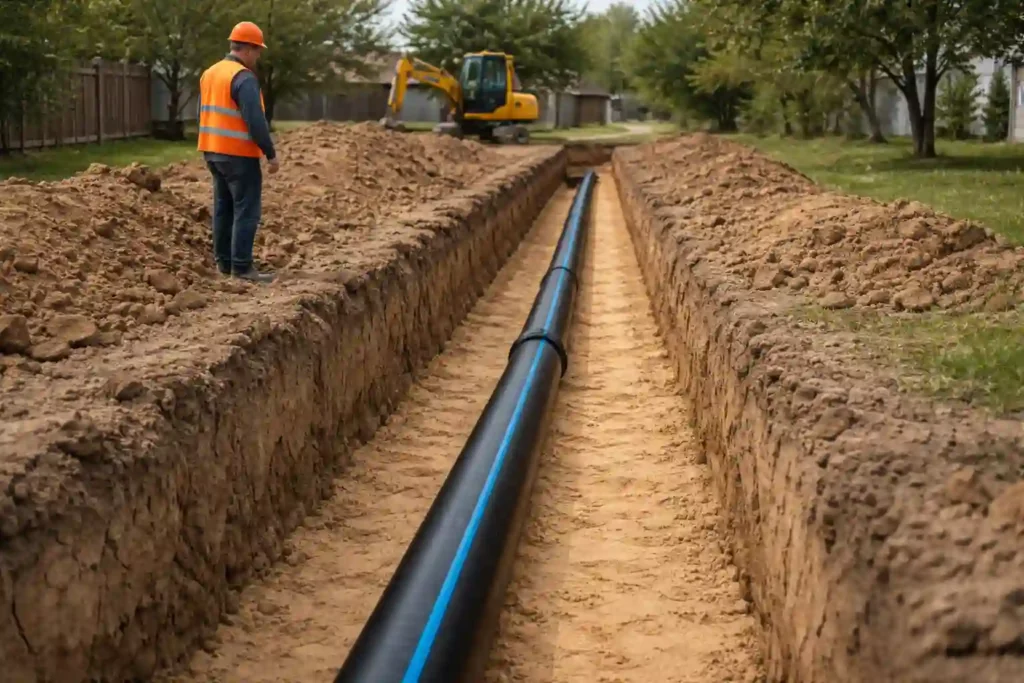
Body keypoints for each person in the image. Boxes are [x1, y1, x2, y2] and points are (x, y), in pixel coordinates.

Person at [197, 21, 279, 283]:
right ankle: (242, 267)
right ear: (249, 49)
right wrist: (270, 153)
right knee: (246, 210)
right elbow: (255, 120)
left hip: (212, 151)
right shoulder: (243, 78)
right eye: (258, 51)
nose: (258, 57)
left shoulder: (210, 73)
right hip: (238, 155)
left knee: (224, 208)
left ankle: (224, 263)